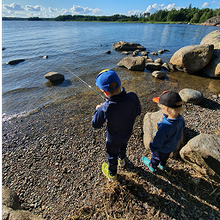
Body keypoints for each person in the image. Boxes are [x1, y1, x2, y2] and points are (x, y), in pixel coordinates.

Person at [92, 69, 141, 182]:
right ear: (120, 83)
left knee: (111, 154)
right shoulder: (133, 97)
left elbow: (95, 124)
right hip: (127, 133)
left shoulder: (105, 107)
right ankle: (122, 160)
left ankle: (113, 175)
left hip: (113, 139)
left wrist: (97, 110)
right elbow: (138, 111)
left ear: (104, 92)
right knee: (123, 146)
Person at [142, 90, 185, 172]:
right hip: (172, 146)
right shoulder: (180, 119)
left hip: (161, 148)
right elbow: (181, 127)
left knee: (156, 157)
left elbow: (158, 141)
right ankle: (162, 165)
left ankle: (152, 166)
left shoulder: (164, 126)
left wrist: (152, 147)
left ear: (168, 109)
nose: (160, 109)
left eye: (161, 107)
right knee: (165, 157)